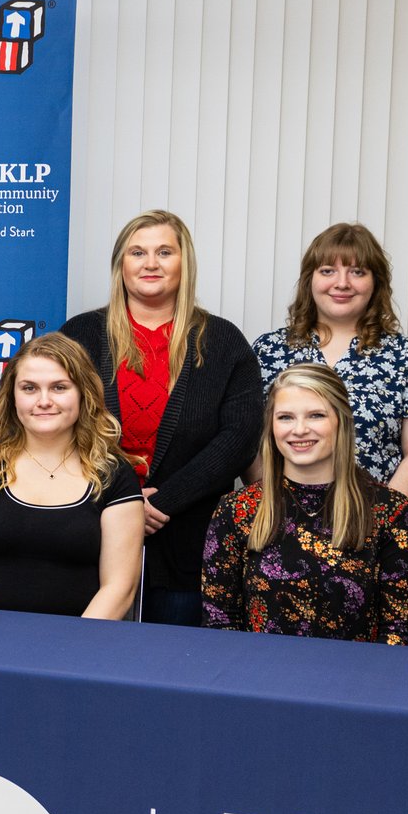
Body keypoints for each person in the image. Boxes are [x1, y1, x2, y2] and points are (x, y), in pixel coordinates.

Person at [58, 209, 262, 627]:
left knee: (172, 668)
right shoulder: (79, 334)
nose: (151, 263)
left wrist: (162, 502)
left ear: (184, 263)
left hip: (188, 541)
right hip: (88, 531)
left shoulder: (223, 342)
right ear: (121, 265)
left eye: (165, 252)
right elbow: (57, 425)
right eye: (138, 252)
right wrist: (122, 501)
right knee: (86, 662)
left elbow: (238, 437)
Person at [201, 364, 408, 645]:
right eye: (285, 417)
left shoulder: (390, 511)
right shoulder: (236, 510)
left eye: (316, 415)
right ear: (271, 426)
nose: (299, 430)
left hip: (358, 680)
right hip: (258, 678)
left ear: (341, 420)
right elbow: (220, 622)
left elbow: (399, 631)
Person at [0, 333, 141, 619]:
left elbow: (119, 588)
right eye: (29, 388)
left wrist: (68, 651)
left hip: (80, 650)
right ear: (12, 396)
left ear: (84, 393)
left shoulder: (115, 476)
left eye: (59, 387)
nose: (44, 400)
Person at [250, 222, 408, 515]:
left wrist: (375, 524)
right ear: (309, 280)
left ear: (376, 282)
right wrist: (289, 517)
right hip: (284, 523)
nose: (342, 283)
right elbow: (253, 446)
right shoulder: (268, 351)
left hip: (379, 528)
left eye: (357, 272)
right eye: (328, 270)